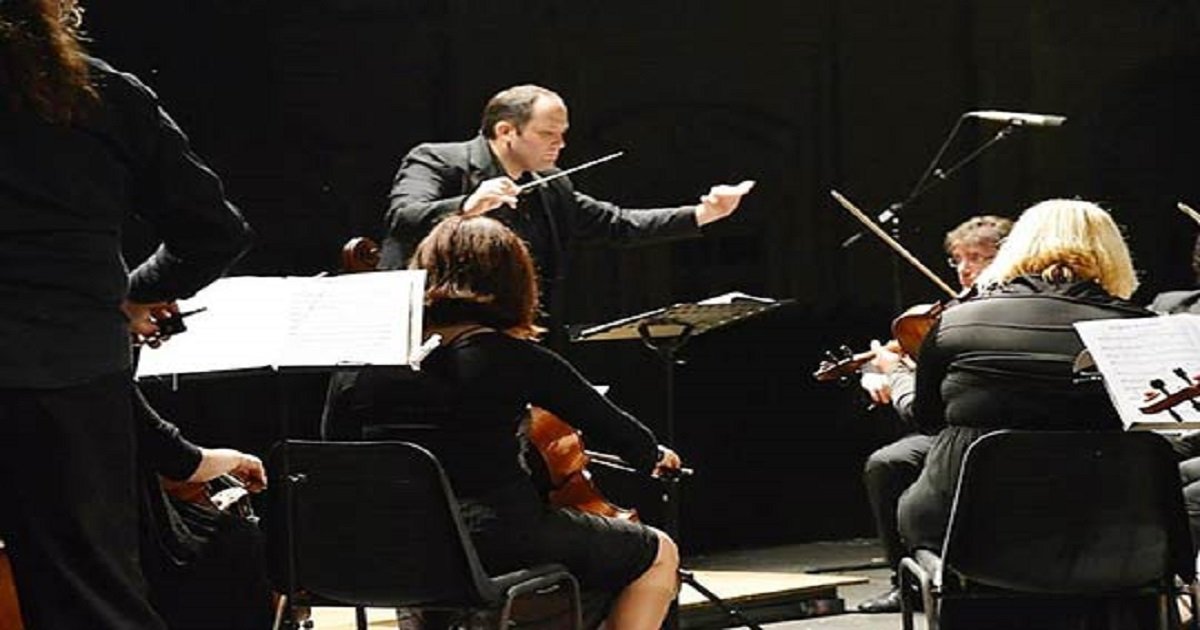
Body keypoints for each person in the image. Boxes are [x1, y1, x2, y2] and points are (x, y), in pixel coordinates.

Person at [0, 2, 253, 628]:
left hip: (63, 370)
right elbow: (213, 232)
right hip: (66, 380)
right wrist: (134, 294)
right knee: (90, 599)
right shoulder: (99, 94)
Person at [325, 215, 683, 629]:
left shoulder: (361, 363)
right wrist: (653, 455)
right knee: (659, 552)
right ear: (513, 282)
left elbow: (334, 450)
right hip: (494, 538)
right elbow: (618, 432)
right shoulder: (514, 358)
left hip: (389, 542)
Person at [381, 83, 754, 344]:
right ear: (506, 131)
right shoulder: (438, 160)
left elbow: (618, 224)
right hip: (431, 332)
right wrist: (467, 205)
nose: (560, 144)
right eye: (548, 134)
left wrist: (705, 213)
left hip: (515, 336)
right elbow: (403, 217)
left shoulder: (551, 185)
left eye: (562, 133)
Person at [895, 199, 1151, 556]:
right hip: (1106, 528)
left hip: (964, 524)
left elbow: (929, 420)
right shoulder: (1141, 328)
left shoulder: (956, 321)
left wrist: (896, 378)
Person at [855, 215, 1011, 613]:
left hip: (999, 430)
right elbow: (893, 355)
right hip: (951, 430)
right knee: (887, 463)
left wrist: (897, 374)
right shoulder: (946, 316)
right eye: (958, 259)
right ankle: (907, 583)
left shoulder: (1004, 312)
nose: (964, 269)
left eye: (977, 257)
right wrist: (874, 371)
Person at [134, 385, 271, 630]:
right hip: (127, 526)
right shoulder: (103, 381)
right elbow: (181, 461)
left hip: (82, 521)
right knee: (239, 539)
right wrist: (239, 460)